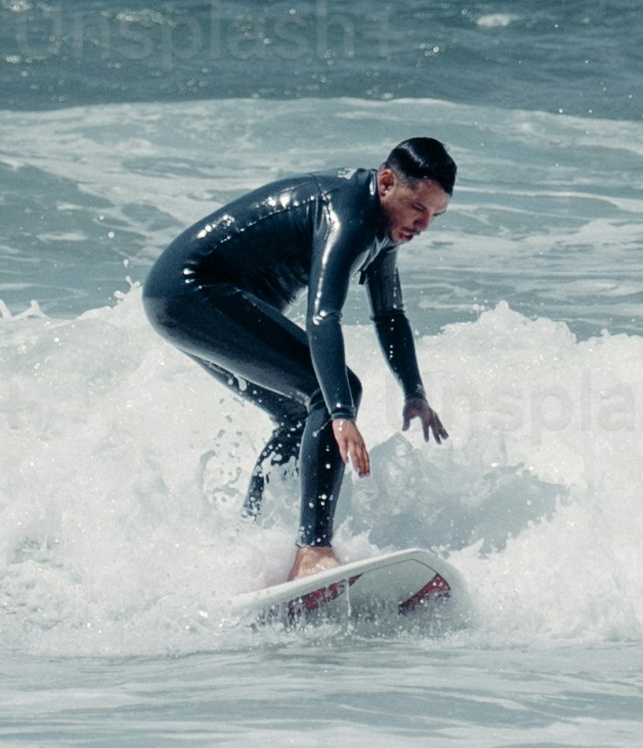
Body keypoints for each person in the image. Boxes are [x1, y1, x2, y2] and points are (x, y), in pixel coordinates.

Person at [142, 137, 456, 578]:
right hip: (189, 291)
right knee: (330, 393)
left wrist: (414, 392)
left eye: (435, 217)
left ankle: (248, 538)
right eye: (418, 209)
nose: (423, 226)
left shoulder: (384, 229)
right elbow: (323, 316)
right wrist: (342, 412)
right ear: (386, 182)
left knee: (298, 413)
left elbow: (389, 315)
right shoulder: (349, 214)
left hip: (184, 300)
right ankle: (312, 552)